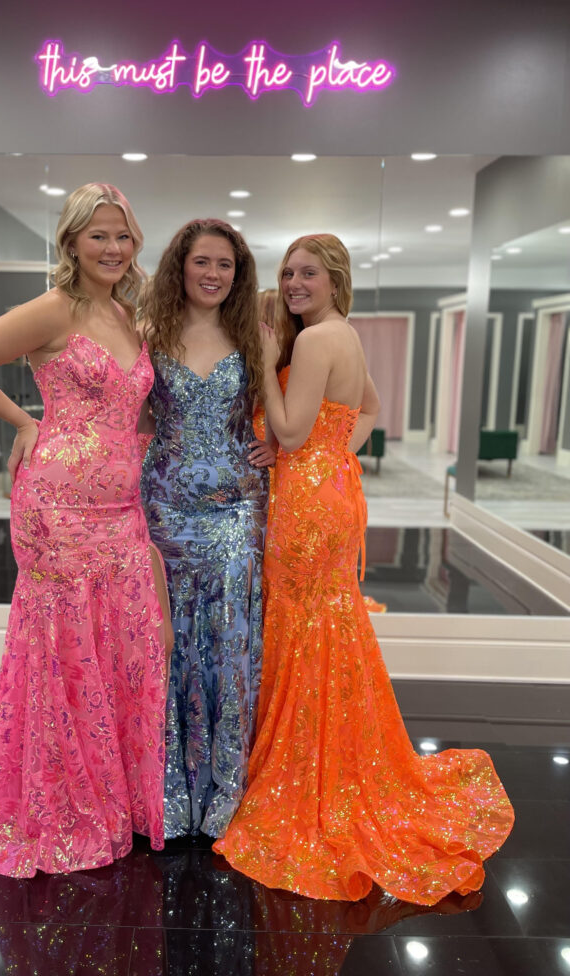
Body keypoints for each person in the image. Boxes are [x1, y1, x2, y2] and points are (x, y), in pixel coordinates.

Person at [214, 234, 514, 904]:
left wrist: (268, 372)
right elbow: (368, 411)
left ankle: (308, 772)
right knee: (329, 622)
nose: (294, 284)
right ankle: (340, 757)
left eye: (308, 274)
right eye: (288, 273)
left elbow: (288, 431)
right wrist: (329, 451)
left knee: (303, 624)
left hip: (305, 503)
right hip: (332, 489)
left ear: (334, 279)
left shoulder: (318, 341)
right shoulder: (342, 334)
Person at [0, 183, 170, 877]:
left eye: (122, 235)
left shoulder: (132, 314)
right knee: (65, 648)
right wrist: (26, 421)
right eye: (98, 235)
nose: (113, 248)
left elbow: (133, 408)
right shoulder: (53, 309)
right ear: (70, 242)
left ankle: (114, 793)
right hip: (57, 507)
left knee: (120, 642)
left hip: (122, 508)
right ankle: (62, 798)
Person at [140, 219, 272, 839]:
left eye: (226, 264)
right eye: (203, 262)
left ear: (238, 274)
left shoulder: (257, 333)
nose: (214, 274)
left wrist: (285, 445)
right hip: (163, 507)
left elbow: (308, 411)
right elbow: (118, 410)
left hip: (236, 509)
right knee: (168, 642)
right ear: (180, 267)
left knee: (228, 641)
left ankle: (223, 788)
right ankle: (166, 785)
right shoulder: (147, 332)